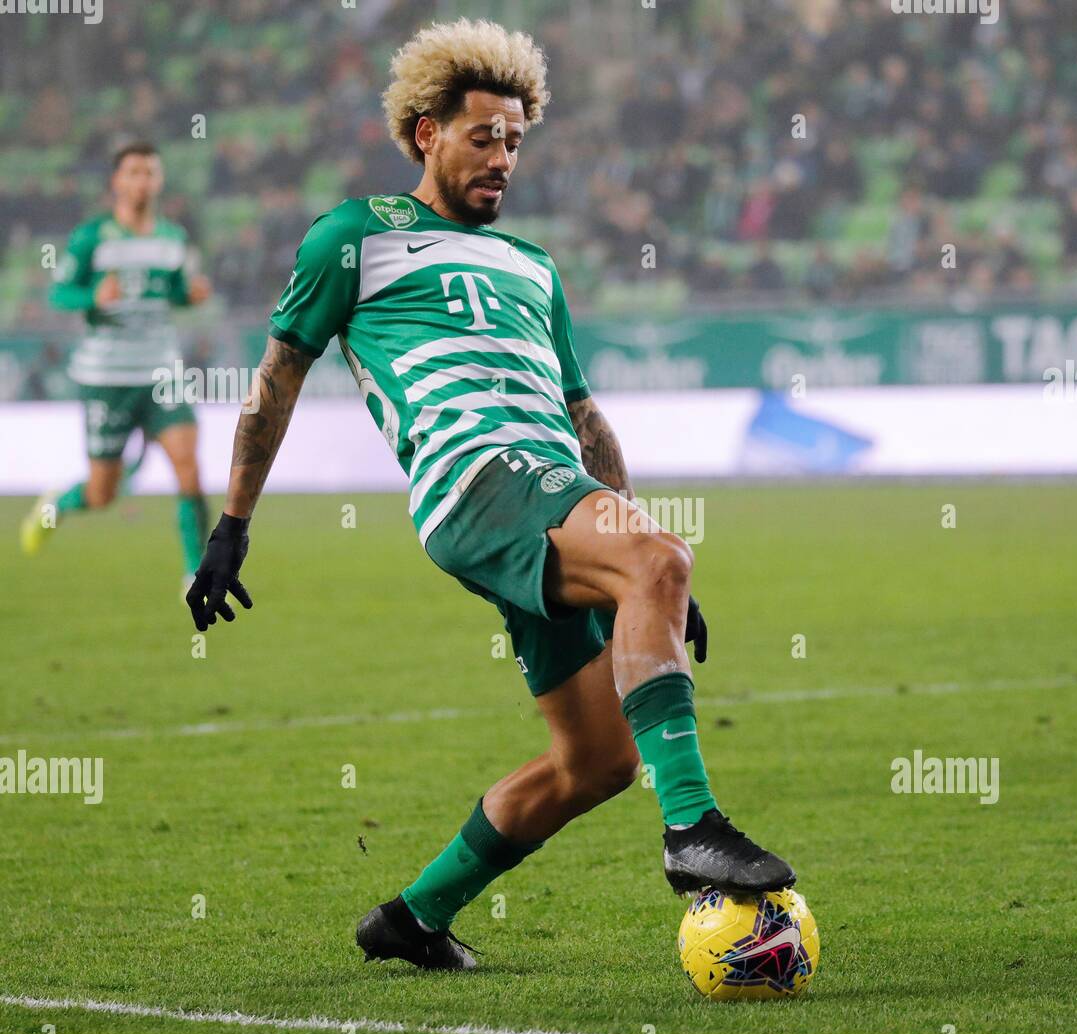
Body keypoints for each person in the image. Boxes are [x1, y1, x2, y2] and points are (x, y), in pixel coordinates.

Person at [185, 18, 795, 972]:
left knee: (598, 762)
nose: (503, 158)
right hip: (475, 479)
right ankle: (693, 832)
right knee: (659, 559)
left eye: (515, 141)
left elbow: (586, 420)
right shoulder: (354, 237)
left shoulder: (534, 268)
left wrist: (649, 578)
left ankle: (413, 918)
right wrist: (232, 526)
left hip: (551, 486)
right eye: (483, 137)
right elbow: (276, 380)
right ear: (426, 132)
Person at [22, 142, 212, 593]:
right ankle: (55, 506)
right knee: (101, 493)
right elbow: (58, 293)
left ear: (160, 181)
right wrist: (92, 297)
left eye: (150, 172)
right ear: (116, 182)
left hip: (161, 373)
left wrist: (191, 294)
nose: (142, 181)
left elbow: (175, 292)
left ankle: (195, 573)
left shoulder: (173, 238)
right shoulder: (92, 237)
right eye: (133, 173)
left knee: (189, 467)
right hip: (106, 379)